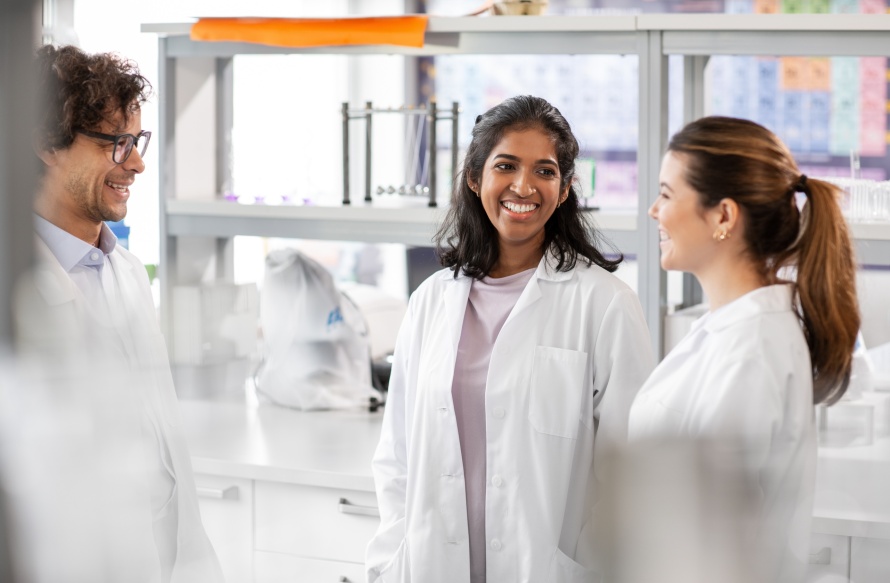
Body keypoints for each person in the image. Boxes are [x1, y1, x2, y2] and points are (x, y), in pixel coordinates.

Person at [366, 95, 654, 583]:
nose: (524, 186)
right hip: (431, 565)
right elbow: (398, 456)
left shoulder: (604, 304)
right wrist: (392, 558)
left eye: (544, 171)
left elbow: (633, 469)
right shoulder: (431, 301)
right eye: (506, 166)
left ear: (564, 190)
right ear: (476, 178)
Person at [18, 44, 224, 582]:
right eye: (116, 143)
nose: (136, 162)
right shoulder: (16, 288)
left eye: (137, 141)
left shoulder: (127, 272)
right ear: (46, 145)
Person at [628, 116, 860, 582]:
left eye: (668, 194)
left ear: (723, 216)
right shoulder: (736, 329)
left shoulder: (750, 352)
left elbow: (715, 550)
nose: (654, 210)